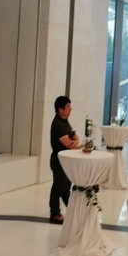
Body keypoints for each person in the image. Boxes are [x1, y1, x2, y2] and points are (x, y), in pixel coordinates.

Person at [49, 96, 80, 224]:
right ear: (60, 109)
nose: (70, 108)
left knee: (66, 187)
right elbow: (68, 143)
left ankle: (72, 210)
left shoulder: (65, 121)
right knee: (59, 187)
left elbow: (75, 138)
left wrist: (74, 142)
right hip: (59, 160)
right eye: (68, 106)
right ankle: (54, 213)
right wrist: (74, 143)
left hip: (66, 160)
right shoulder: (57, 124)